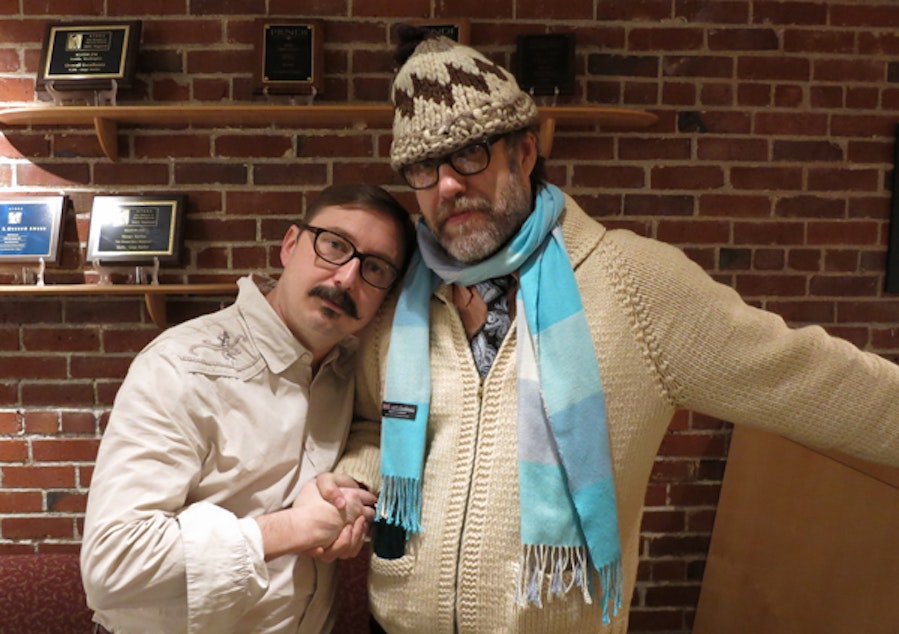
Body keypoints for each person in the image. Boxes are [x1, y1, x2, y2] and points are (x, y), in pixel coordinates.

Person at [327, 27, 899, 634]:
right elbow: (373, 423)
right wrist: (355, 479)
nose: (446, 185)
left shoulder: (634, 283)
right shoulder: (402, 294)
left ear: (523, 152)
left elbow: (809, 377)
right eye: (424, 166)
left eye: (470, 154)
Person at [80, 183, 416, 634]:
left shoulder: (352, 371)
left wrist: (348, 489)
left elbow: (373, 429)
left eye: (374, 268)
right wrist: (291, 529)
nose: (346, 278)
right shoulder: (180, 366)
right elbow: (113, 566)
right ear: (290, 245)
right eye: (335, 245)